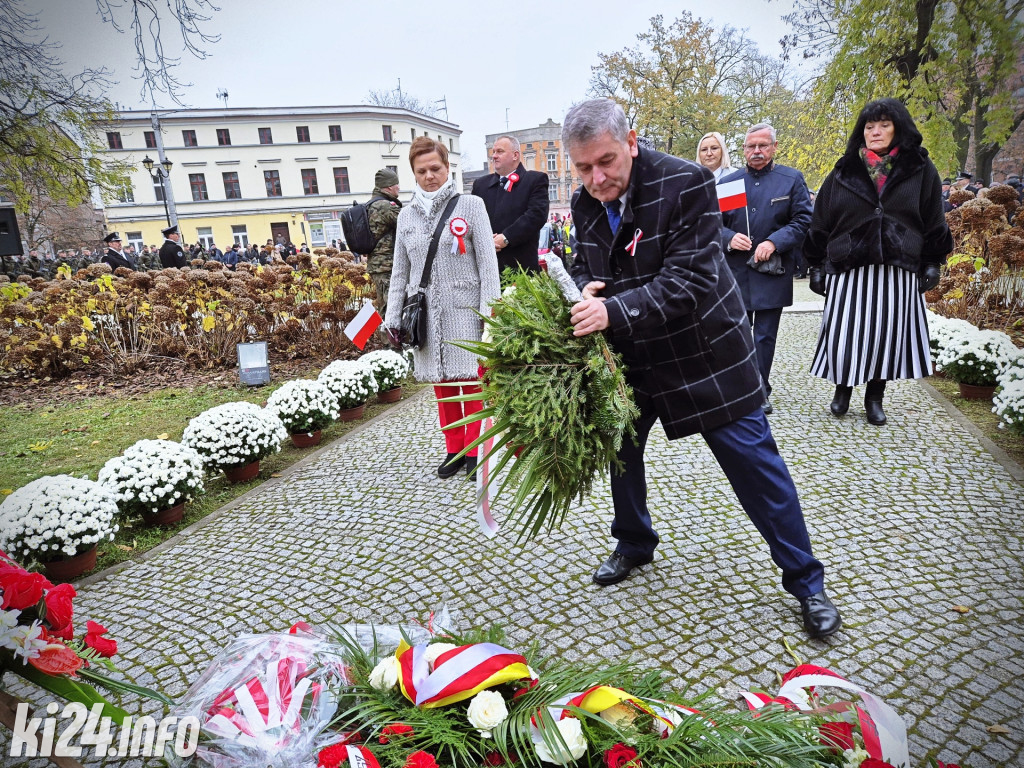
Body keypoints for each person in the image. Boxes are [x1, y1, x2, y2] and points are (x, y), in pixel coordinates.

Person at [563, 98, 841, 639]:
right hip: (634, 357)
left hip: (705, 351)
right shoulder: (584, 201)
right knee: (621, 450)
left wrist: (610, 308)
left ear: (632, 142)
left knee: (756, 467)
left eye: (606, 162)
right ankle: (634, 541)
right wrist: (583, 287)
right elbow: (585, 263)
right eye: (582, 167)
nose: (596, 178)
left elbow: (689, 278)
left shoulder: (687, 182)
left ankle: (807, 581)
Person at [803, 97, 952, 426]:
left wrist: (932, 261)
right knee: (845, 332)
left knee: (885, 334)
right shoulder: (844, 169)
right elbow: (821, 219)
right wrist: (816, 265)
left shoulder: (921, 169)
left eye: (884, 125)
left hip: (897, 266)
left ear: (898, 128)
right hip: (849, 264)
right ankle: (842, 389)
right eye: (870, 126)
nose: (876, 131)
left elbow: (933, 218)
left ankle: (874, 396)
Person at [383, 137, 501, 481]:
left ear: (447, 168)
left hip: (467, 311)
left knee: (473, 382)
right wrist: (392, 317)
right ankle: (454, 447)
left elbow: (488, 266)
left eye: (435, 168)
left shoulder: (471, 205)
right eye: (421, 171)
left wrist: (489, 316)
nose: (429, 176)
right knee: (444, 385)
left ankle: (475, 448)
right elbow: (399, 273)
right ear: (413, 175)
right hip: (427, 316)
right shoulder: (405, 216)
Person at [719, 123, 813, 414]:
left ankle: (760, 389)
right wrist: (729, 237)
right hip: (736, 271)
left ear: (773, 147)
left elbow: (803, 220)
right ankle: (738, 387)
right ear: (743, 150)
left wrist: (774, 242)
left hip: (773, 270)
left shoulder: (791, 179)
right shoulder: (729, 183)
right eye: (751, 146)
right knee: (736, 332)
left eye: (762, 145)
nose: (756, 151)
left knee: (765, 335)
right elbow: (710, 223)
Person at [471, 135, 549, 277]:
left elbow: (536, 215)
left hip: (521, 271)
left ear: (515, 155)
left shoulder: (535, 180)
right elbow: (471, 220)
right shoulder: (480, 185)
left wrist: (506, 237)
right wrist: (484, 240)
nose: (494, 156)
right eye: (493, 152)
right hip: (487, 270)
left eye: (499, 152)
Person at [366, 168, 403, 314]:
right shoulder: (385, 206)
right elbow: (409, 223)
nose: (399, 187)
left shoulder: (372, 203)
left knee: (386, 307)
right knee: (390, 311)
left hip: (379, 266)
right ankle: (388, 337)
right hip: (386, 266)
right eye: (396, 184)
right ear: (389, 187)